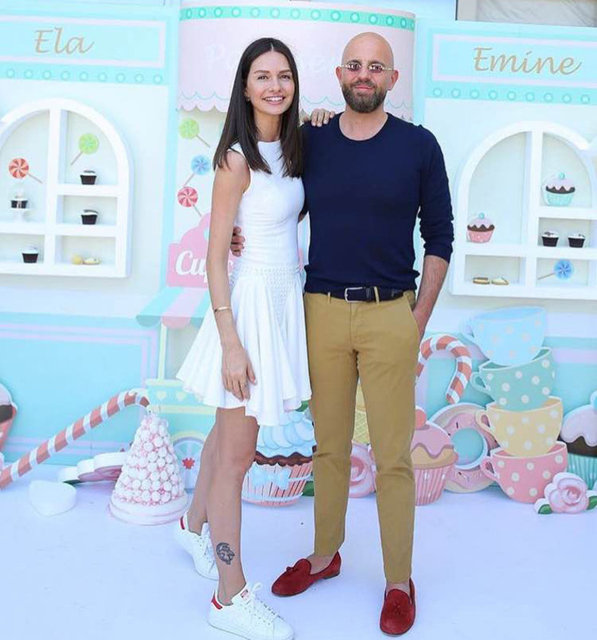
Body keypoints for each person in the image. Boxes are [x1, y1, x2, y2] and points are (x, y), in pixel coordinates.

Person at [232, 32, 454, 635]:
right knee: (328, 447)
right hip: (321, 312)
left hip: (391, 314)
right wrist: (236, 232)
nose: (364, 74)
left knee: (392, 457)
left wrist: (416, 319)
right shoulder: (314, 142)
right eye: (354, 65)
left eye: (375, 67)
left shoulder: (419, 146)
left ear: (392, 79)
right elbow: (276, 202)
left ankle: (399, 582)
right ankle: (324, 555)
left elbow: (440, 235)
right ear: (338, 74)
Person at [175, 37, 312, 640]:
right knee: (236, 456)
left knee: (222, 434)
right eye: (263, 76)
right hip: (249, 308)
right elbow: (215, 256)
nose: (275, 86)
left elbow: (282, 213)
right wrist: (231, 342)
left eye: (284, 75)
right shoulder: (234, 160)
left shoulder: (297, 146)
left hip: (285, 299)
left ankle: (191, 525)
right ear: (245, 86)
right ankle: (229, 595)